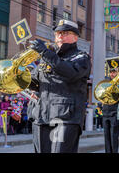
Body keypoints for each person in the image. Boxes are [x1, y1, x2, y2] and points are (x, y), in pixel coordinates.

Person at [27, 19, 91, 153]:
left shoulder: (81, 56)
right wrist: (20, 77)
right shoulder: (47, 58)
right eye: (57, 33)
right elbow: (35, 82)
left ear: (75, 37)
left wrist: (45, 53)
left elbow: (70, 73)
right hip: (41, 115)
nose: (60, 36)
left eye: (65, 33)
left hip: (65, 116)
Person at [102, 67, 119, 153]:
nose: (112, 74)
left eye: (114, 72)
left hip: (115, 113)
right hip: (105, 112)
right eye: (111, 72)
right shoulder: (106, 83)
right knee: (106, 137)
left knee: (114, 137)